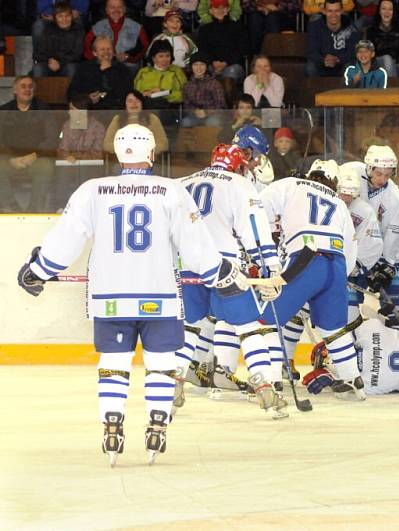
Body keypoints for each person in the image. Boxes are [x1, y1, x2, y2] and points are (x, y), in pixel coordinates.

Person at [16, 123, 248, 466]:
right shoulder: (171, 191)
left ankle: (112, 423)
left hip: (110, 297)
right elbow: (195, 245)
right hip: (161, 296)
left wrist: (38, 270)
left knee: (114, 362)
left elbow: (66, 239)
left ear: (116, 153)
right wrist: (221, 274)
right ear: (152, 154)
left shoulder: (92, 190)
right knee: (161, 363)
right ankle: (157, 422)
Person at [175, 143, 288, 419]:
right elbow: (254, 228)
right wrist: (270, 267)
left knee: (190, 325)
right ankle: (264, 386)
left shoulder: (183, 182)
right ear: (238, 165)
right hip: (224, 265)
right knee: (248, 327)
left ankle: (173, 381)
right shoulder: (238, 183)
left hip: (187, 264)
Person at [257, 160, 366, 399]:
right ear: (333, 182)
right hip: (336, 265)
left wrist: (266, 239)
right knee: (334, 330)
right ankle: (353, 381)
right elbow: (350, 249)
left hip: (305, 258)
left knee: (268, 320)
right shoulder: (339, 203)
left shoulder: (290, 184)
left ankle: (272, 381)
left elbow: (256, 207)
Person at [340, 145, 399, 309]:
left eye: (388, 175)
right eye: (378, 173)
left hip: (395, 252)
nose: (383, 179)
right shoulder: (350, 172)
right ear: (369, 168)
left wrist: (386, 264)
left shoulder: (397, 201)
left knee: (393, 306)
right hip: (359, 249)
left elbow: (392, 238)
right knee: (349, 303)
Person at [302, 315, 399, 395]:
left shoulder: (369, 384)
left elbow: (347, 386)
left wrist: (331, 379)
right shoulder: (368, 329)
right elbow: (347, 333)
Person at [0, 76, 56, 213]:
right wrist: (10, 159)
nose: (27, 89)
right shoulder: (4, 111)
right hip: (10, 159)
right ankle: (11, 206)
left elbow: (52, 138)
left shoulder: (44, 109)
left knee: (46, 166)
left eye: (30, 86)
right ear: (15, 90)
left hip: (36, 158)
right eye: (23, 86)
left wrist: (35, 154)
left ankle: (34, 209)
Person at [338, 164, 383, 322]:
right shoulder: (327, 204)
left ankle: (349, 345)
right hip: (326, 267)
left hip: (350, 271)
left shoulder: (364, 211)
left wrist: (357, 265)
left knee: (350, 312)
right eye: (343, 193)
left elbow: (373, 243)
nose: (346, 198)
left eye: (351, 194)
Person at [68, 34, 134, 111]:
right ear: (94, 53)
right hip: (89, 109)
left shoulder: (122, 69)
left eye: (109, 49)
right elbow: (71, 93)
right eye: (102, 49)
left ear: (113, 51)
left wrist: (108, 71)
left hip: (115, 110)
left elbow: (126, 93)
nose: (106, 52)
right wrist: (87, 97)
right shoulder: (84, 68)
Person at [83, 0, 151, 71]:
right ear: (107, 10)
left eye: (120, 7)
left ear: (125, 9)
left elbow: (145, 47)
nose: (116, 10)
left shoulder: (137, 27)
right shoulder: (97, 27)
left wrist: (128, 56)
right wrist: (96, 59)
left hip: (127, 64)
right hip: (101, 63)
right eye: (112, 7)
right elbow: (87, 45)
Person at [104, 91, 169, 157]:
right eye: (130, 101)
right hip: (123, 161)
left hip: (148, 161)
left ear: (142, 103)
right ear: (125, 104)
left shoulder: (152, 118)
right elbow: (106, 145)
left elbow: (163, 145)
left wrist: (143, 149)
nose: (134, 103)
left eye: (137, 101)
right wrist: (126, 149)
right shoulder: (117, 119)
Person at [197, 0, 248, 83]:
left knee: (230, 75)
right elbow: (202, 50)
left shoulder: (238, 27)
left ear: (228, 9)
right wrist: (213, 62)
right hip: (211, 65)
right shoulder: (204, 29)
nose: (220, 11)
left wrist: (226, 63)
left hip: (232, 65)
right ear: (210, 11)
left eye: (223, 8)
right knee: (202, 71)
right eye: (216, 8)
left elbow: (242, 49)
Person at [306, 0, 360, 77]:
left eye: (337, 11)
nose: (333, 15)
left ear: (342, 11)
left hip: (342, 64)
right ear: (324, 11)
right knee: (310, 68)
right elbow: (311, 51)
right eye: (330, 11)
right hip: (322, 64)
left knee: (350, 68)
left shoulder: (350, 26)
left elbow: (354, 50)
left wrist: (338, 59)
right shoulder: (315, 26)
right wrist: (324, 60)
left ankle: (346, 89)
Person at [32, 1, 84, 78]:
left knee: (72, 68)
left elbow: (77, 54)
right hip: (49, 64)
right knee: (38, 69)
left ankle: (72, 90)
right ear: (55, 18)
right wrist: (50, 60)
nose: (64, 19)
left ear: (72, 17)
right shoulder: (47, 30)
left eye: (67, 16)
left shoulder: (78, 30)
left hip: (67, 64)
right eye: (60, 16)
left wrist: (60, 62)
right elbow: (38, 53)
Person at [134, 40, 188, 108]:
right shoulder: (143, 72)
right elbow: (135, 95)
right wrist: (144, 94)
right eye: (161, 56)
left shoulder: (177, 72)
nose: (165, 60)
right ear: (153, 58)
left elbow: (186, 95)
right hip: (147, 110)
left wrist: (164, 93)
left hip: (170, 110)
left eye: (167, 56)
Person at [181, 53, 226, 127]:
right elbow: (187, 105)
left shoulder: (214, 83)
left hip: (213, 115)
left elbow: (221, 105)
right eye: (195, 64)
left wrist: (206, 112)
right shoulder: (187, 85)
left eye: (202, 64)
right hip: (194, 115)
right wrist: (195, 111)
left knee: (212, 122)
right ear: (191, 67)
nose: (199, 68)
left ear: (206, 67)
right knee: (185, 122)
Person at [365, 0, 399, 78]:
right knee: (387, 59)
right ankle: (392, 89)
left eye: (390, 9)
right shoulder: (370, 31)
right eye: (383, 9)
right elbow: (368, 53)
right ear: (379, 11)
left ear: (394, 12)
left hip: (397, 66)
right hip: (377, 65)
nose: (386, 12)